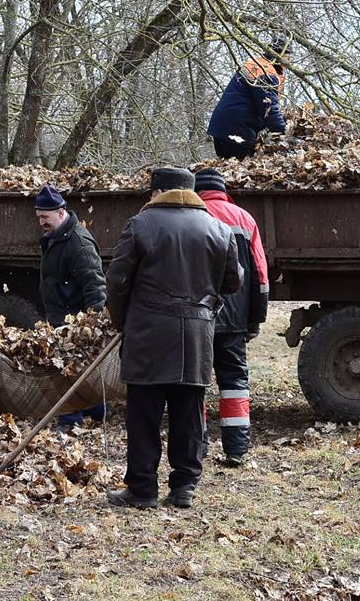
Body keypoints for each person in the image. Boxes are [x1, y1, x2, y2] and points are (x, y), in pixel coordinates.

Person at [105, 167, 242, 509]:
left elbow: (117, 282)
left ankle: (143, 489)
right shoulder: (220, 230)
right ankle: (184, 487)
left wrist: (123, 321)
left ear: (156, 193)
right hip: (197, 334)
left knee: (144, 415)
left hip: (148, 333)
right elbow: (233, 281)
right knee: (189, 412)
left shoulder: (140, 225)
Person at [194, 167, 269, 466]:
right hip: (235, 318)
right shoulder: (245, 219)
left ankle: (196, 448)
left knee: (195, 383)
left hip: (198, 317)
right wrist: (255, 318)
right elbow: (260, 274)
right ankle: (236, 450)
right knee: (235, 381)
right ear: (223, 190)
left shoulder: (193, 216)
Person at [34, 184, 109, 432]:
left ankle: (69, 420)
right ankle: (96, 411)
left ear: (61, 212)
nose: (42, 222)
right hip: (60, 315)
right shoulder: (55, 237)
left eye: (46, 216)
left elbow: (95, 285)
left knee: (66, 370)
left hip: (75, 319)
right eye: (39, 217)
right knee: (74, 369)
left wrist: (92, 324)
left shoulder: (78, 242)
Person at [207, 36, 290, 160]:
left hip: (223, 128)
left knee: (229, 168)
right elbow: (269, 109)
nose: (289, 63)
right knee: (240, 168)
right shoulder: (266, 73)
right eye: (288, 58)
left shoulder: (255, 65)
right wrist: (286, 134)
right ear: (279, 56)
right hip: (236, 131)